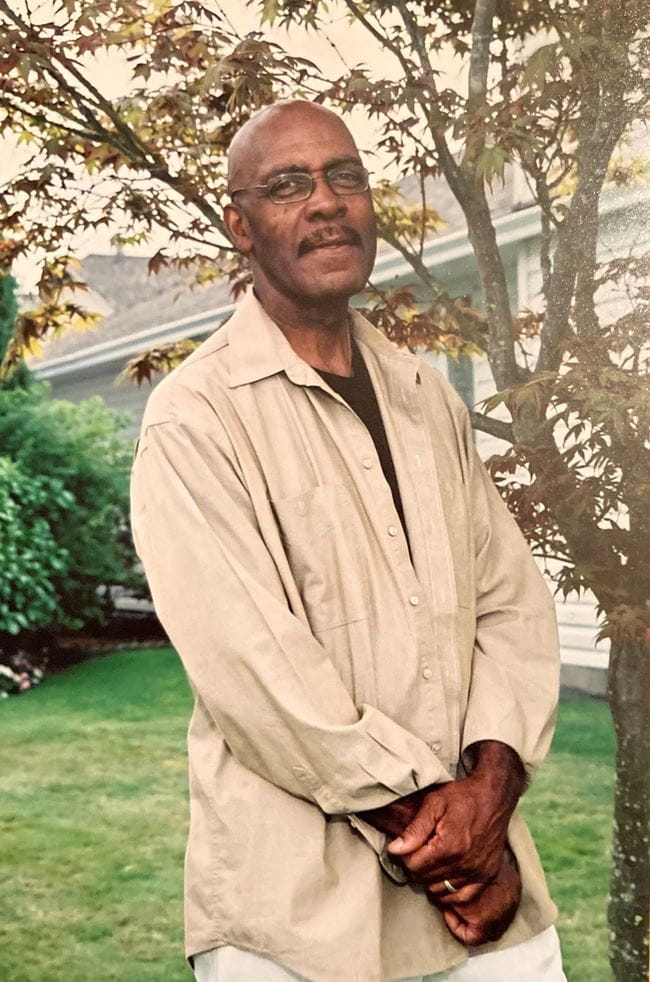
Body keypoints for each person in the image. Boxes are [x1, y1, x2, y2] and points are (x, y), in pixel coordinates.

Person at [130, 99, 566, 982]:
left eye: (346, 177)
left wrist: (494, 789)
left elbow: (512, 605)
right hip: (297, 922)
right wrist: (457, 846)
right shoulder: (195, 419)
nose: (326, 201)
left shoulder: (426, 395)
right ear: (239, 226)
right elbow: (259, 674)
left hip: (490, 919)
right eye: (289, 185)